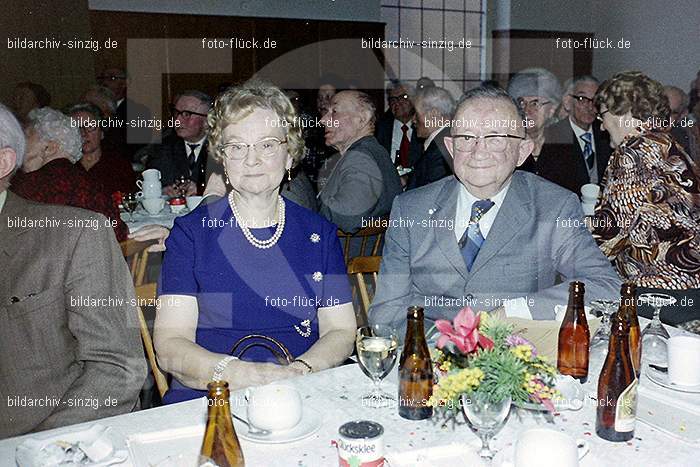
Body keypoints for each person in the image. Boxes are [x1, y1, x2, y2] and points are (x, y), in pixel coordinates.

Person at [153, 83, 356, 403]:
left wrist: (299, 372)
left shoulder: (319, 234)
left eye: (267, 145)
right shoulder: (191, 235)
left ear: (290, 155)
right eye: (237, 146)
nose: (252, 160)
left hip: (303, 389)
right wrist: (243, 375)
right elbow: (170, 345)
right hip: (212, 393)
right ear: (222, 158)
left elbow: (341, 331)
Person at [369, 86, 620, 335]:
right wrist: (446, 344)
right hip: (432, 358)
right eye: (467, 137)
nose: (478, 151)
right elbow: (387, 312)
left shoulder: (553, 208)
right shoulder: (411, 210)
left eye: (496, 138)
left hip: (516, 359)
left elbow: (605, 286)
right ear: (450, 146)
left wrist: (515, 312)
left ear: (522, 151)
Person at [0, 104, 146, 438]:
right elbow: (121, 232)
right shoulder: (89, 184)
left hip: (39, 438)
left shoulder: (67, 217)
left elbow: (116, 367)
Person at [592, 71, 700, 325]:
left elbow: (613, 228)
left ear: (624, 112)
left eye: (603, 115)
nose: (601, 125)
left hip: (656, 289)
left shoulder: (633, 151)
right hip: (689, 287)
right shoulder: (668, 144)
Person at [10, 107, 127, 241]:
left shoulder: (25, 189)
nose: (20, 145)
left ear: (50, 148)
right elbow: (120, 235)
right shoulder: (93, 186)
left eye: (27, 137)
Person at [318, 90, 402, 233]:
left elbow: (348, 216)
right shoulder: (372, 151)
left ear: (362, 119)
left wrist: (309, 209)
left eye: (334, 111)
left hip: (349, 254)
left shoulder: (360, 158)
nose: (323, 120)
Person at [537, 76, 612, 195]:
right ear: (567, 102)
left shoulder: (607, 133)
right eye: (582, 99)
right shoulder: (552, 136)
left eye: (595, 100)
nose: (590, 107)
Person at [143, 90, 221, 196]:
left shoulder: (220, 149)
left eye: (186, 114)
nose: (177, 120)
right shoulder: (162, 148)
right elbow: (151, 185)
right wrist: (162, 191)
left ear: (207, 121)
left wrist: (202, 188)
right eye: (176, 113)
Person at [68, 103, 137, 196]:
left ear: (101, 132)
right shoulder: (66, 168)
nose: (83, 133)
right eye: (76, 127)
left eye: (90, 126)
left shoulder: (119, 166)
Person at [507, 68, 561, 174]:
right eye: (521, 102)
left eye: (535, 103)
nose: (527, 110)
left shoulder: (562, 147)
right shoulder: (507, 145)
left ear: (551, 110)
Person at [407, 86, 455, 189]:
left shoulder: (440, 151)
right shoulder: (444, 142)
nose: (413, 120)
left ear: (434, 114)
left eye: (416, 113)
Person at [375, 81, 422, 170]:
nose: (397, 102)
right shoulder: (379, 128)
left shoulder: (423, 127)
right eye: (393, 99)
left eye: (403, 97)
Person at [664, 85, 700, 164]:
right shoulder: (637, 132)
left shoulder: (683, 144)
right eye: (661, 109)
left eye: (673, 113)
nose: (663, 118)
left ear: (682, 115)